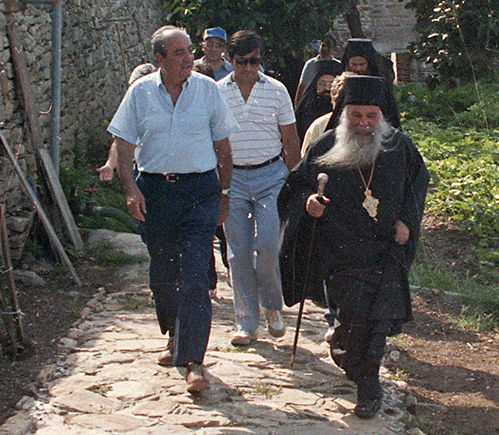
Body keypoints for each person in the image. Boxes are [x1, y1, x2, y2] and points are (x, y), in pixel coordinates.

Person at [279, 75, 429, 418]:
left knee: (379, 318)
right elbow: (294, 188)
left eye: (371, 116)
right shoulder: (326, 146)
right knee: (355, 318)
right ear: (344, 114)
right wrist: (308, 204)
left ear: (382, 115)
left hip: (385, 247)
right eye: (356, 116)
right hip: (341, 251)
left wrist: (407, 219)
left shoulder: (399, 147)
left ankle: (369, 386)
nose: (363, 124)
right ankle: (346, 350)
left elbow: (418, 183)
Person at [108, 26, 238, 395]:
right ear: (160, 59)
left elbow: (223, 145)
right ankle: (173, 336)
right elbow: (123, 140)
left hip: (199, 190)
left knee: (197, 272)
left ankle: (195, 360)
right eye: (178, 53)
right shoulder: (141, 92)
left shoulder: (207, 90)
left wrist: (224, 194)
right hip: (156, 190)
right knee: (163, 275)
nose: (188, 59)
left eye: (188, 51)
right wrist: (130, 189)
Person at [218, 30, 301, 347]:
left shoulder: (277, 91)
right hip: (232, 178)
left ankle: (272, 307)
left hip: (270, 176)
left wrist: (296, 178)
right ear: (230, 60)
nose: (249, 68)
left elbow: (290, 139)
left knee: (267, 247)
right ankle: (246, 322)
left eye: (255, 61)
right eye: (242, 62)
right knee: (238, 253)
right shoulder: (216, 92)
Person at [332, 38, 401, 128]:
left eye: (362, 64)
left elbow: (391, 115)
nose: (358, 69)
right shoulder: (342, 81)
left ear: (369, 64)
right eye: (354, 64)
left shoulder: (380, 83)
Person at [293, 56, 343, 145]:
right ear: (315, 85)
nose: (327, 88)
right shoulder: (303, 112)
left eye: (331, 83)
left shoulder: (344, 112)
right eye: (322, 83)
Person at [294, 36, 337, 103]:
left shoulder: (337, 65)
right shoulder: (311, 64)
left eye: (329, 47)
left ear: (334, 49)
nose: (325, 49)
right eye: (323, 46)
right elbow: (302, 86)